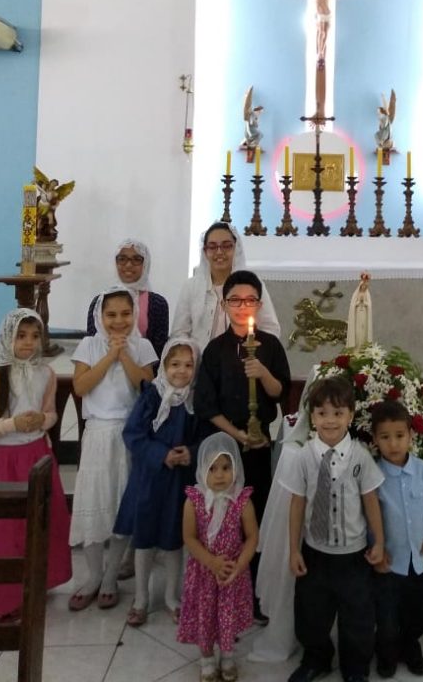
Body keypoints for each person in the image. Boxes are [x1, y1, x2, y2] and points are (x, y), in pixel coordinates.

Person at [193, 269, 291, 622]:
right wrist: (236, 437)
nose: (242, 306)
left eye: (250, 300)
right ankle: (221, 591)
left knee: (257, 515)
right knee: (222, 518)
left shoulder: (271, 345)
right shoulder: (216, 349)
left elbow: (281, 394)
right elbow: (206, 405)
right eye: (235, 300)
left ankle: (257, 592)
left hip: (260, 445)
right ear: (224, 303)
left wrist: (263, 373)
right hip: (224, 451)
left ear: (259, 304)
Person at [0, 309, 72, 621]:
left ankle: (35, 585)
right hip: (0, 461)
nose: (28, 343)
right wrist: (11, 424)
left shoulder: (46, 375)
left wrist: (42, 420)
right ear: (7, 338)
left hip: (36, 457)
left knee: (38, 525)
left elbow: (50, 413)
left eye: (35, 336)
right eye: (21, 336)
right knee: (0, 533)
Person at [281, 376, 385, 682]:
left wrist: (379, 542)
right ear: (312, 416)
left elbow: (371, 501)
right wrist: (293, 549)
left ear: (351, 416)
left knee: (357, 615)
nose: (330, 421)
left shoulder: (360, 457)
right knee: (311, 613)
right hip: (315, 552)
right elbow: (297, 503)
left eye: (338, 413)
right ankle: (317, 658)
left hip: (353, 555)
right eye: (323, 413)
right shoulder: (303, 457)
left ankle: (355, 666)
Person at [68, 287, 156, 611]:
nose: (118, 321)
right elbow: (80, 387)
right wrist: (108, 355)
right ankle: (92, 575)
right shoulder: (88, 345)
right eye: (111, 315)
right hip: (97, 434)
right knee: (93, 503)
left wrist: (125, 355)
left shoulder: (143, 346)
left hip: (129, 435)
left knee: (121, 505)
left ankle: (110, 577)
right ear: (100, 317)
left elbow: (145, 386)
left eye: (125, 314)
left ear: (134, 316)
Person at [114, 336, 202, 627]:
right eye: (175, 364)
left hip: (179, 483)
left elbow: (203, 437)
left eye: (188, 365)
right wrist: (161, 454)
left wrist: (190, 453)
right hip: (149, 479)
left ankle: (171, 597)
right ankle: (141, 597)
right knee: (145, 539)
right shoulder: (152, 394)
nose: (181, 371)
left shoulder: (194, 399)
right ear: (164, 365)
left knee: (175, 539)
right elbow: (134, 434)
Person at [177, 433, 258, 682]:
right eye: (212, 468)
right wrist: (211, 562)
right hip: (204, 573)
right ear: (202, 470)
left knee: (227, 615)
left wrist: (239, 566)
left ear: (236, 468)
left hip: (232, 572)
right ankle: (206, 657)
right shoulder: (194, 501)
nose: (220, 475)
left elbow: (253, 536)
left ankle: (228, 655)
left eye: (226, 467)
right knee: (205, 615)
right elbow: (189, 538)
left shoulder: (242, 502)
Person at [370, 400, 423, 679]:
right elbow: (368, 516)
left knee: (420, 614)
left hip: (418, 561)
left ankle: (411, 645)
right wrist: (375, 549)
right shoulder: (373, 475)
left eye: (400, 436)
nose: (394, 444)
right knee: (386, 617)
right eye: (385, 437)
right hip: (389, 562)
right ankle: (386, 651)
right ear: (375, 440)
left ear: (411, 436)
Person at [171, 221, 280, 350]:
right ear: (205, 251)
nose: (219, 252)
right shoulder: (191, 287)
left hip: (242, 362)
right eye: (212, 247)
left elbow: (270, 328)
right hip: (199, 364)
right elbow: (179, 333)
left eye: (226, 246)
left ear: (236, 248)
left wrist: (251, 353)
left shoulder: (251, 285)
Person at [87, 239, 170, 359]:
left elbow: (159, 351)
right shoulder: (99, 302)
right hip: (104, 369)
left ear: (146, 263)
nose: (128, 264)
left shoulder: (158, 304)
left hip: (143, 372)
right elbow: (93, 347)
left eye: (136, 259)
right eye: (122, 259)